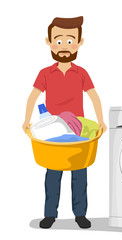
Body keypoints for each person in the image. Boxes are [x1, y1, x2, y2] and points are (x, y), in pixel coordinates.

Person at [22, 16, 107, 229]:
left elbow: (94, 96)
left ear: (79, 43)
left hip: (79, 130)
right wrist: (26, 120)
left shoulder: (81, 73)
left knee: (79, 175)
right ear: (49, 42)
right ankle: (50, 215)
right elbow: (33, 96)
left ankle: (80, 215)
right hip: (53, 131)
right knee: (53, 175)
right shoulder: (45, 73)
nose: (64, 47)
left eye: (70, 41)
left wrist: (101, 121)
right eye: (58, 41)